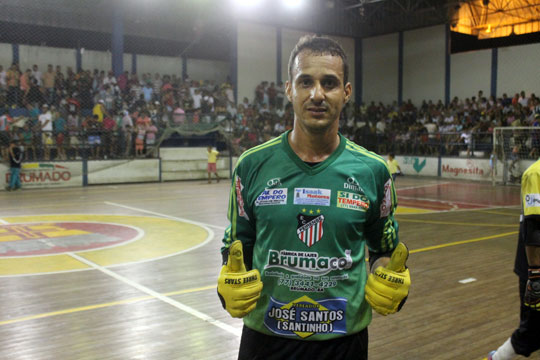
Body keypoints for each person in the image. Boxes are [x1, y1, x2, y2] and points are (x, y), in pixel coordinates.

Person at [217, 35, 411, 360]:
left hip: (343, 342)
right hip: (266, 338)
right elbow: (238, 246)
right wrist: (229, 280)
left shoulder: (373, 171)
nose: (317, 94)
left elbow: (384, 248)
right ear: (289, 89)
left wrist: (392, 277)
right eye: (305, 81)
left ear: (346, 92)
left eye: (330, 83)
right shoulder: (251, 166)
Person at [486, 160, 540, 360]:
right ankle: (498, 357)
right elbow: (533, 228)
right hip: (535, 268)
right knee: (532, 328)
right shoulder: (535, 174)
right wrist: (535, 276)